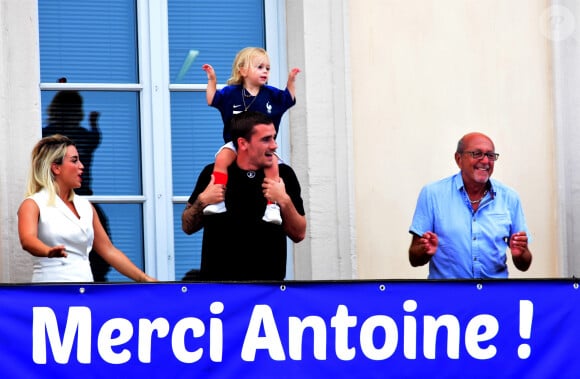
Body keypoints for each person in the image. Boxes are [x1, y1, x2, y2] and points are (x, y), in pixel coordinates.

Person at [181, 111, 306, 281]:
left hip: (268, 290)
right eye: (265, 139)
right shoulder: (211, 173)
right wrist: (203, 201)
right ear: (243, 143)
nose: (274, 145)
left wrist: (283, 199)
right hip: (218, 288)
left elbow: (299, 234)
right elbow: (188, 227)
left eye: (274, 138)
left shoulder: (284, 174)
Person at [17, 134, 156, 283]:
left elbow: (109, 251)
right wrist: (48, 251)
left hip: (84, 291)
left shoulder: (85, 206)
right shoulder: (33, 203)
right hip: (51, 290)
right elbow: (28, 240)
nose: (81, 166)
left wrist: (144, 278)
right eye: (74, 160)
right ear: (56, 167)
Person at [408, 132, 533, 279]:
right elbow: (414, 258)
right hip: (448, 297)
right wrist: (424, 249)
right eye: (477, 154)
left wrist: (520, 253)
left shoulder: (510, 198)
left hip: (494, 296)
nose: (485, 161)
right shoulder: (432, 194)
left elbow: (524, 264)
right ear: (458, 159)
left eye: (490, 155)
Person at [201, 47, 300, 225]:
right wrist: (212, 79)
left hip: (264, 148)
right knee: (222, 159)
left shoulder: (272, 94)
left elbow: (288, 99)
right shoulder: (231, 93)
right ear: (243, 70)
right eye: (259, 67)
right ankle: (218, 201)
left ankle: (272, 207)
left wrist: (291, 81)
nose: (265, 71)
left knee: (273, 167)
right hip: (235, 144)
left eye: (267, 68)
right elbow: (212, 99)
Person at [42, 81, 111, 281]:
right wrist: (93, 123)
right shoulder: (75, 134)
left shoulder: (52, 133)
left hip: (81, 195)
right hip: (66, 195)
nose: (80, 165)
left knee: (97, 248)